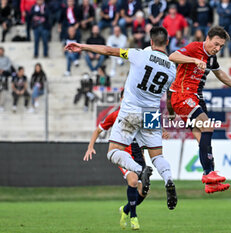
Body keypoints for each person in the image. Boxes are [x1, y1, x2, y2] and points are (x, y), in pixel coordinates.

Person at [65, 26, 178, 217]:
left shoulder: (139, 55)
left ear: (151, 42)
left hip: (132, 111)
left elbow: (109, 51)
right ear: (167, 42)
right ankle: (168, 179)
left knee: (113, 152)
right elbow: (170, 98)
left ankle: (139, 170)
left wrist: (83, 47)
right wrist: (172, 114)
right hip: (152, 114)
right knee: (158, 156)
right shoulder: (172, 68)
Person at [168, 26, 231, 194]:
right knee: (208, 127)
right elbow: (172, 56)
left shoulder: (212, 58)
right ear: (208, 39)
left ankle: (209, 177)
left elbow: (220, 74)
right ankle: (208, 174)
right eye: (216, 44)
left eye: (221, 46)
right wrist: (194, 60)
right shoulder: (194, 47)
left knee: (202, 137)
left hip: (197, 98)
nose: (217, 49)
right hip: (182, 95)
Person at [83, 89, 149, 230]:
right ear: (121, 100)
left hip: (138, 154)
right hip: (123, 154)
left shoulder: (139, 114)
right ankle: (133, 218)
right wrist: (90, 147)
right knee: (132, 181)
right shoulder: (115, 115)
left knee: (144, 191)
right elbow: (98, 130)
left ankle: (125, 210)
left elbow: (148, 133)